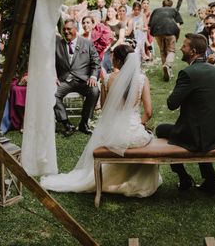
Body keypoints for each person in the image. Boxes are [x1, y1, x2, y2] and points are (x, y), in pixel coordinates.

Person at [41, 45, 161, 197]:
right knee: (148, 139)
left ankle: (109, 180)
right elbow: (149, 112)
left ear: (117, 60)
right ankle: (135, 181)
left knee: (111, 143)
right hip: (135, 136)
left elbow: (105, 111)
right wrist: (140, 125)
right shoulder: (142, 79)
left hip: (113, 134)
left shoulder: (108, 79)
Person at [156, 34, 215, 193]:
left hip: (199, 135)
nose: (181, 48)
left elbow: (172, 104)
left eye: (184, 46)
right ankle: (210, 180)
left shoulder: (188, 73)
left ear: (193, 51)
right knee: (197, 128)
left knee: (161, 130)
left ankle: (184, 177)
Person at [54, 19, 101, 135]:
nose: (66, 32)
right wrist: (53, 76)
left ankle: (84, 123)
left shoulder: (87, 43)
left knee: (94, 90)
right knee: (52, 94)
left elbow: (96, 62)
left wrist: (93, 77)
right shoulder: (57, 43)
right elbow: (50, 62)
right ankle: (66, 124)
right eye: (64, 29)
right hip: (64, 80)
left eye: (69, 29)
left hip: (83, 80)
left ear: (76, 29)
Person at [148, 0, 183, 81]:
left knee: (162, 51)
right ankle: (167, 65)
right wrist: (177, 37)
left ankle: (165, 72)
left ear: (162, 4)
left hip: (157, 31)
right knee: (171, 50)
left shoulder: (156, 10)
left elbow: (150, 25)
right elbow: (178, 26)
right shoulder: (174, 10)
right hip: (170, 31)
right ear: (171, 5)